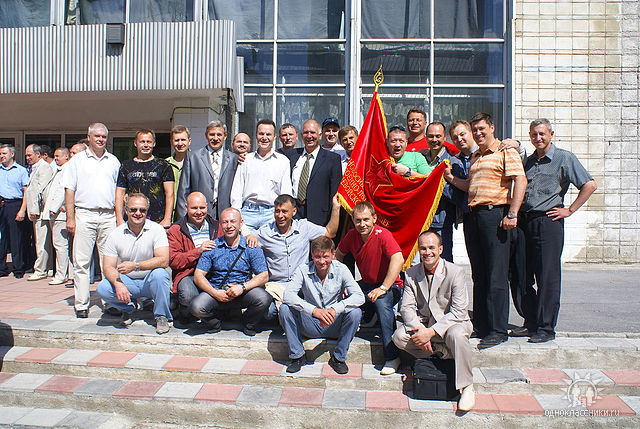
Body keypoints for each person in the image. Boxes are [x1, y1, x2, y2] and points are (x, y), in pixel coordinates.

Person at [444, 112, 526, 348]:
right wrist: (450, 178)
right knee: (479, 274)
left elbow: (520, 180)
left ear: (492, 127)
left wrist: (512, 213)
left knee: (496, 275)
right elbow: (470, 185)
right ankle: (481, 324)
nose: (478, 133)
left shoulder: (505, 150)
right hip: (474, 216)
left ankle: (498, 330)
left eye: (482, 129)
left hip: (495, 215)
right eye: (475, 130)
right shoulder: (476, 156)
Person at [512, 119, 597, 343]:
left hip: (548, 222)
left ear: (551, 134)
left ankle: (546, 328)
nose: (538, 138)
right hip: (525, 221)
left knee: (547, 276)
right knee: (521, 274)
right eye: (534, 134)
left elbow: (589, 185)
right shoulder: (529, 161)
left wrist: (570, 210)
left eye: (542, 134)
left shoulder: (564, 158)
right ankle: (531, 321)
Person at [392, 230, 475, 412]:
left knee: (457, 335)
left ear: (440, 249)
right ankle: (440, 352)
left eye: (431, 248)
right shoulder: (411, 273)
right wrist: (420, 331)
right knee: (399, 337)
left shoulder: (456, 272)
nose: (427, 252)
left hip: (451, 324)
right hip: (425, 325)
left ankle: (467, 386)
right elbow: (406, 308)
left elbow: (459, 311)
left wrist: (430, 332)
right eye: (423, 248)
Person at [336, 201, 404, 375]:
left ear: (374, 218)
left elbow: (398, 259)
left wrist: (383, 287)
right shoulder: (352, 235)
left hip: (390, 286)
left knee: (381, 302)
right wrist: (344, 282)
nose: (362, 224)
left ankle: (392, 356)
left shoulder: (383, 235)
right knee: (341, 296)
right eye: (358, 220)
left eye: (366, 219)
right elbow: (338, 255)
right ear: (353, 220)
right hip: (367, 284)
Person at [280, 236, 364, 374]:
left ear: (333, 254)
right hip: (310, 322)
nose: (322, 261)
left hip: (334, 322)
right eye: (317, 257)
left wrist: (335, 309)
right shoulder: (303, 269)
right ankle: (297, 356)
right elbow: (288, 295)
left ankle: (338, 358)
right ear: (312, 255)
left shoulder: (341, 269)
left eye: (325, 256)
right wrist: (314, 310)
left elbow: (359, 296)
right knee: (285, 309)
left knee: (355, 313)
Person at [62, 122, 121, 318]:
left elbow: (119, 191)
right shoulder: (77, 161)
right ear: (89, 137)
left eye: (104, 136)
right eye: (97, 136)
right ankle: (81, 304)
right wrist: (70, 218)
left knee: (109, 262)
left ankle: (109, 301)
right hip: (84, 214)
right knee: (81, 262)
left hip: (108, 215)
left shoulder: (113, 161)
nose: (100, 139)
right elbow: (69, 190)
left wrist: (119, 217)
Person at [252, 194, 341, 320]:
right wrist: (248, 235)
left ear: (294, 212)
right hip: (277, 287)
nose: (280, 215)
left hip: (301, 285)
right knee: (269, 313)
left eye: (284, 211)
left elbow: (330, 232)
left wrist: (336, 208)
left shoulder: (304, 227)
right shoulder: (265, 232)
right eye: (277, 211)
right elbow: (246, 241)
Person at [96, 193, 172, 334]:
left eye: (142, 210)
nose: (138, 213)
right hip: (128, 281)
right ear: (126, 210)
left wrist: (136, 265)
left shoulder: (157, 229)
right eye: (133, 209)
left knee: (161, 274)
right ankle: (128, 308)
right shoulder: (115, 234)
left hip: (150, 280)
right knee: (103, 288)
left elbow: (163, 260)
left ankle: (162, 316)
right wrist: (118, 284)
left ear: (147, 211)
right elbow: (108, 266)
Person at [191, 208, 271, 336]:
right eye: (225, 222)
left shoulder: (251, 246)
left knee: (263, 298)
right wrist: (215, 293)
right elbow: (198, 275)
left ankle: (248, 323)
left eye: (233, 221)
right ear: (221, 224)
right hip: (218, 291)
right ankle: (215, 323)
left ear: (241, 223)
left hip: (243, 292)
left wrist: (242, 287)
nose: (229, 226)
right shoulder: (212, 246)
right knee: (196, 307)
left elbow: (264, 275)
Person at [230, 119, 293, 233]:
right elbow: (237, 191)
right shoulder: (246, 160)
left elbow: (286, 193)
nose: (264, 137)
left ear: (274, 137)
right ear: (256, 136)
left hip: (271, 214)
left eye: (268, 134)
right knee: (246, 244)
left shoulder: (283, 161)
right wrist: (237, 215)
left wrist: (283, 216)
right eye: (261, 134)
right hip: (247, 213)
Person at [167, 192, 221, 324]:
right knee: (189, 296)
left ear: (207, 207)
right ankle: (186, 309)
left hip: (213, 273)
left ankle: (208, 312)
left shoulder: (216, 226)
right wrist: (198, 251)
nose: (199, 212)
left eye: (202, 208)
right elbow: (174, 260)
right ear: (186, 207)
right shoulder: (176, 229)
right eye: (194, 208)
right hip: (188, 274)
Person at [176, 120, 239, 221]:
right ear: (206, 135)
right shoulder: (193, 157)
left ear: (225, 136)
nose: (215, 138)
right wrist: (183, 219)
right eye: (212, 134)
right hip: (199, 214)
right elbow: (183, 191)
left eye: (219, 134)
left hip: (225, 215)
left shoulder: (233, 159)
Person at [285, 119, 342, 226]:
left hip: (319, 215)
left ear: (320, 136)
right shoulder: (291, 155)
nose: (309, 136)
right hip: (293, 212)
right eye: (306, 132)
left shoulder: (332, 159)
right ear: (301, 136)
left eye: (312, 132)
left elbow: (334, 191)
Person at [421, 122, 463, 262]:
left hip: (441, 221)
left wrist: (437, 183)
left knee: (443, 262)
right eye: (431, 136)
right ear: (426, 137)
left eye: (438, 136)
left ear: (445, 137)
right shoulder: (420, 159)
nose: (434, 140)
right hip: (420, 220)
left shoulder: (453, 162)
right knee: (422, 263)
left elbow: (458, 196)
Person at [115, 129, 174, 227]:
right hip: (132, 219)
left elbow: (170, 194)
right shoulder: (126, 166)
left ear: (154, 143)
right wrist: (119, 219)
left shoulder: (164, 165)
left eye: (149, 142)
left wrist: (167, 219)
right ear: (135, 143)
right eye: (142, 142)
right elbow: (119, 194)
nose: (146, 145)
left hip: (157, 221)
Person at [42, 147, 73, 285]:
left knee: (61, 245)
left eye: (58, 156)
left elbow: (62, 191)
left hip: (59, 215)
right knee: (62, 246)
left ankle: (61, 274)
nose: (55, 158)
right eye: (54, 156)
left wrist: (53, 209)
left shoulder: (66, 170)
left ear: (66, 156)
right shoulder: (60, 170)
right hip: (56, 213)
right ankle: (67, 273)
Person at [0, 144, 30, 279]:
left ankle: (18, 267)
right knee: (2, 238)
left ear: (12, 154)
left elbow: (26, 191)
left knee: (16, 238)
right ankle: (2, 268)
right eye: (0, 154)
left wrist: (22, 210)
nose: (2, 156)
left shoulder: (21, 170)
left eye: (4, 153)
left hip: (15, 204)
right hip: (2, 204)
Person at [25, 143, 54, 281]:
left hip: (40, 211)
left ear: (38, 154)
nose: (27, 158)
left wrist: (35, 210)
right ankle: (48, 268)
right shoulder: (35, 167)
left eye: (29, 155)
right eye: (26, 155)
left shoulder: (44, 167)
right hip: (36, 211)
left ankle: (40, 269)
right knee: (42, 241)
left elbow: (41, 191)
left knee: (42, 242)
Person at [166, 125, 191, 220]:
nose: (180, 143)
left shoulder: (197, 162)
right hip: (170, 215)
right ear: (171, 142)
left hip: (190, 214)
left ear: (189, 141)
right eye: (176, 140)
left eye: (183, 140)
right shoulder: (165, 164)